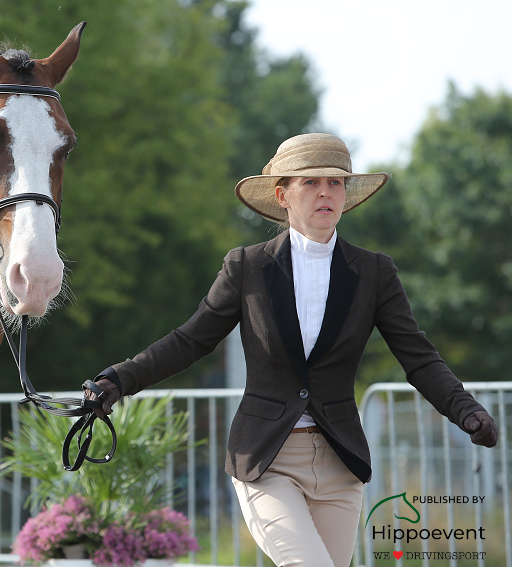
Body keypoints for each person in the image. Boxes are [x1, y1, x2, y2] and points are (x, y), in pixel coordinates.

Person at [85, 133, 498, 567]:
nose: (326, 192)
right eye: (311, 182)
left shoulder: (375, 271)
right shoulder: (247, 266)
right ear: (282, 195)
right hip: (267, 458)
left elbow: (418, 355)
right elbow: (192, 340)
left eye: (336, 183)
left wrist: (465, 409)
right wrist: (120, 378)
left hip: (340, 462)